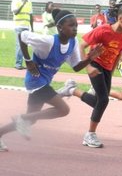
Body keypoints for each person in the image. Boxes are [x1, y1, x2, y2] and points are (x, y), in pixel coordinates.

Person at [0, 9, 102, 151]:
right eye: (71, 25)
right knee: (63, 109)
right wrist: (28, 60)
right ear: (60, 27)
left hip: (44, 82)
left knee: (31, 119)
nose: (74, 28)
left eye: (76, 26)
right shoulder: (47, 41)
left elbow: (76, 67)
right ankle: (22, 117)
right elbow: (22, 35)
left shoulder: (73, 42)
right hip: (35, 81)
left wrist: (89, 58)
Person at [57, 2, 122, 148]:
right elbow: (81, 45)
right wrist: (87, 66)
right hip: (95, 64)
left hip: (107, 69)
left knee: (98, 102)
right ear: (120, 19)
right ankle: (90, 135)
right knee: (104, 100)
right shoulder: (103, 31)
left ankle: (72, 90)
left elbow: (117, 54)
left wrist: (111, 74)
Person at [11, 0, 34, 70]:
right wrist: (23, 4)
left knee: (25, 46)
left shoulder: (29, 3)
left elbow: (30, 15)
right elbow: (16, 12)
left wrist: (32, 27)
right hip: (19, 26)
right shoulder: (15, 1)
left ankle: (24, 64)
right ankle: (18, 64)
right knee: (19, 45)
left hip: (26, 27)